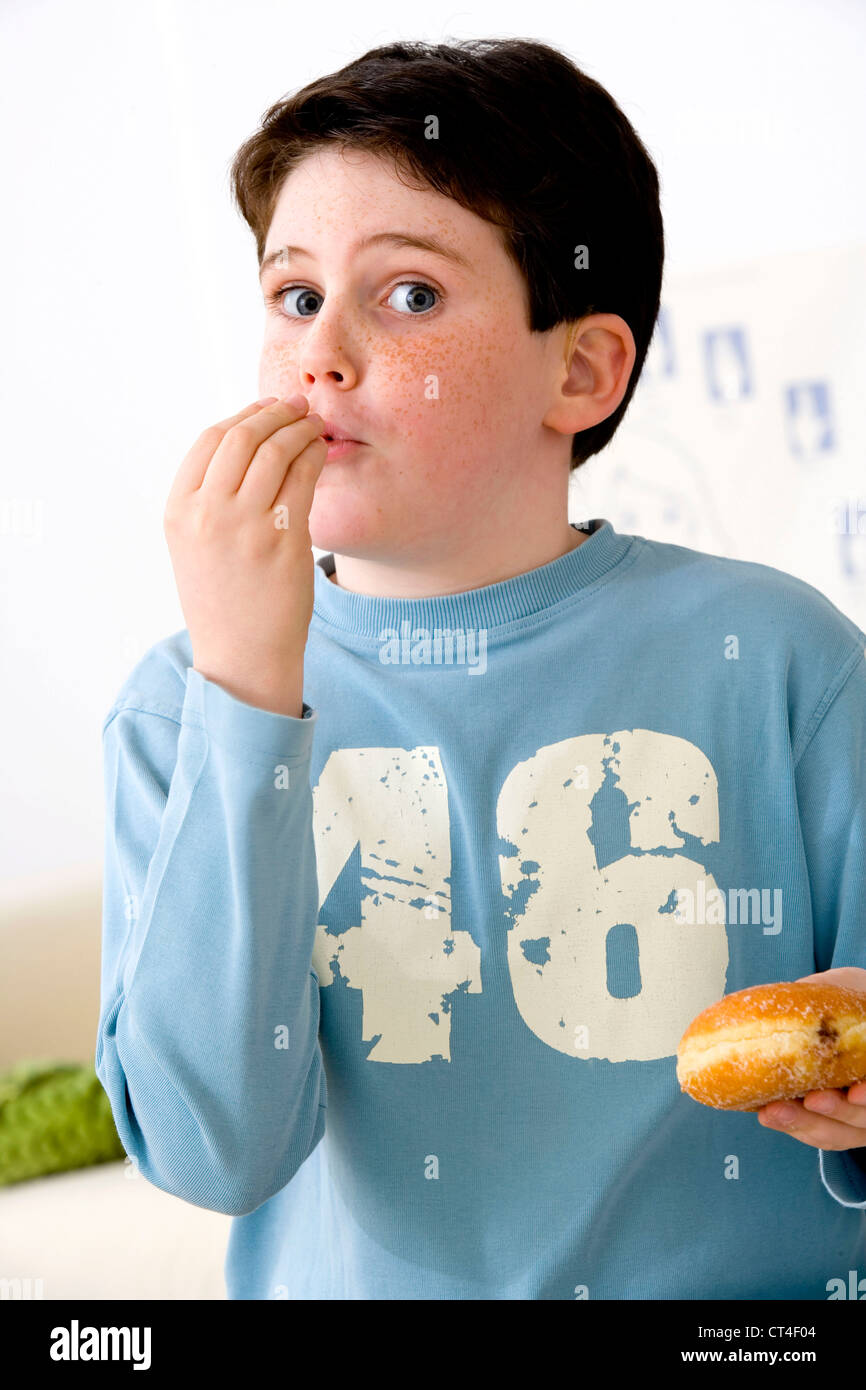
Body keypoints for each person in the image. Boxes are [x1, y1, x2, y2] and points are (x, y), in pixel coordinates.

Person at [96, 38, 866, 1300]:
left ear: (579, 368)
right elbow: (209, 1152)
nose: (320, 354)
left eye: (404, 296)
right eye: (294, 296)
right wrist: (244, 690)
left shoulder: (781, 659)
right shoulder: (182, 706)